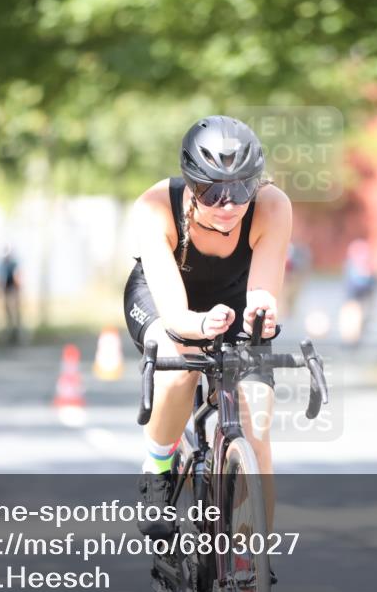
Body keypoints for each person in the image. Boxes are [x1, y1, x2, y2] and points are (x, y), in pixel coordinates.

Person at [123, 116, 292, 539]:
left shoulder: (273, 206)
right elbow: (176, 317)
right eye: (213, 192)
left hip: (234, 299)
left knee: (257, 424)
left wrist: (261, 313)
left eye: (241, 190)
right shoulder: (154, 207)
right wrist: (199, 324)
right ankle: (157, 471)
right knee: (181, 362)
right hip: (165, 298)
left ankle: (252, 556)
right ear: (191, 183)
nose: (228, 205)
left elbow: (262, 293)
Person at [0, 244, 21, 344]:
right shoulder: (1, 265)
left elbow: (17, 278)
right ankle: (9, 333)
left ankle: (16, 332)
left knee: (15, 312)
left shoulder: (14, 264)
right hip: (6, 290)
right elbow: (0, 280)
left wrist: (18, 291)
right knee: (7, 313)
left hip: (13, 290)